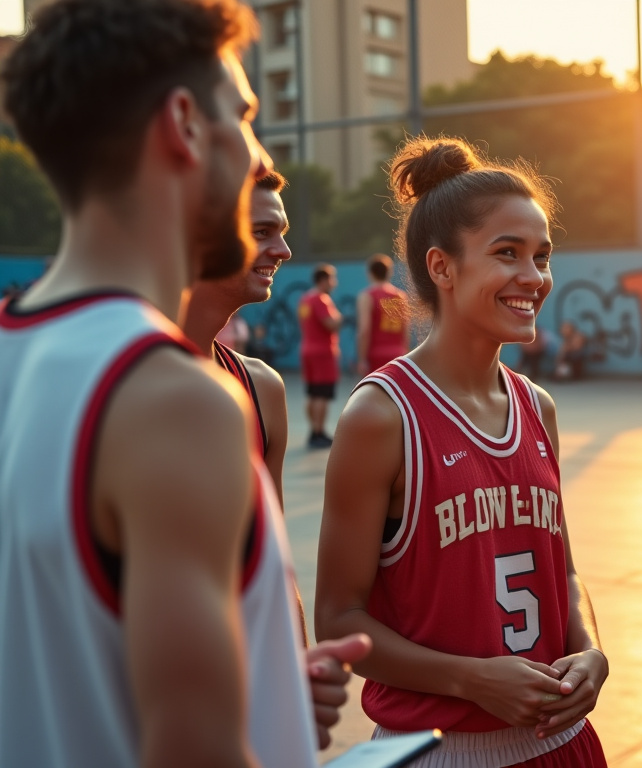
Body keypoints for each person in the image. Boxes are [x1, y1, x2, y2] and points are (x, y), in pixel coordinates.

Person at [0, 1, 369, 765]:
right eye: (244, 116)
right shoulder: (174, 398)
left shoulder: (18, 351)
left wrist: (264, 681)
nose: (254, 150)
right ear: (184, 125)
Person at [315, 136, 608, 767]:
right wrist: (470, 680)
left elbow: (564, 569)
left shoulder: (538, 407)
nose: (533, 277)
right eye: (508, 254)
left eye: (542, 256)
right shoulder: (382, 416)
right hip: (441, 750)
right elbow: (339, 621)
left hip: (563, 745)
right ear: (442, 267)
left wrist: (589, 648)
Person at [182, 169, 291, 497]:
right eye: (261, 232)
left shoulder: (263, 388)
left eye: (282, 233)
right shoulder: (115, 382)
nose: (284, 250)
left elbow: (270, 544)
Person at [299, 263, 342, 447]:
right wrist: (340, 318)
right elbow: (330, 323)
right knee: (322, 394)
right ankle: (319, 432)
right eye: (332, 278)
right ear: (323, 280)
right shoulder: (321, 299)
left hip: (308, 349)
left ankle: (314, 430)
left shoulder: (305, 299)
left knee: (313, 392)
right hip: (323, 352)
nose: (334, 283)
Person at [357, 252, 411, 375]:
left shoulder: (367, 296)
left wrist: (361, 359)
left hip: (376, 356)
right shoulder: (401, 296)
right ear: (389, 272)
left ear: (370, 273)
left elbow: (364, 330)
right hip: (398, 354)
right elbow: (406, 329)